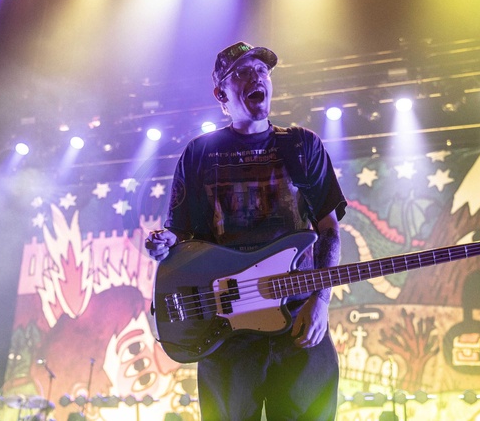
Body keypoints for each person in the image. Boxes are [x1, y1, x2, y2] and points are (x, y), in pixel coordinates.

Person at [145, 41, 347, 420]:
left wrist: (320, 301)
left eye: (262, 71)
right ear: (221, 94)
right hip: (226, 329)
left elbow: (328, 230)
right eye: (242, 72)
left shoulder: (301, 146)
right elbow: (180, 232)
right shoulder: (199, 153)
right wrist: (165, 242)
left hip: (297, 319)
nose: (257, 77)